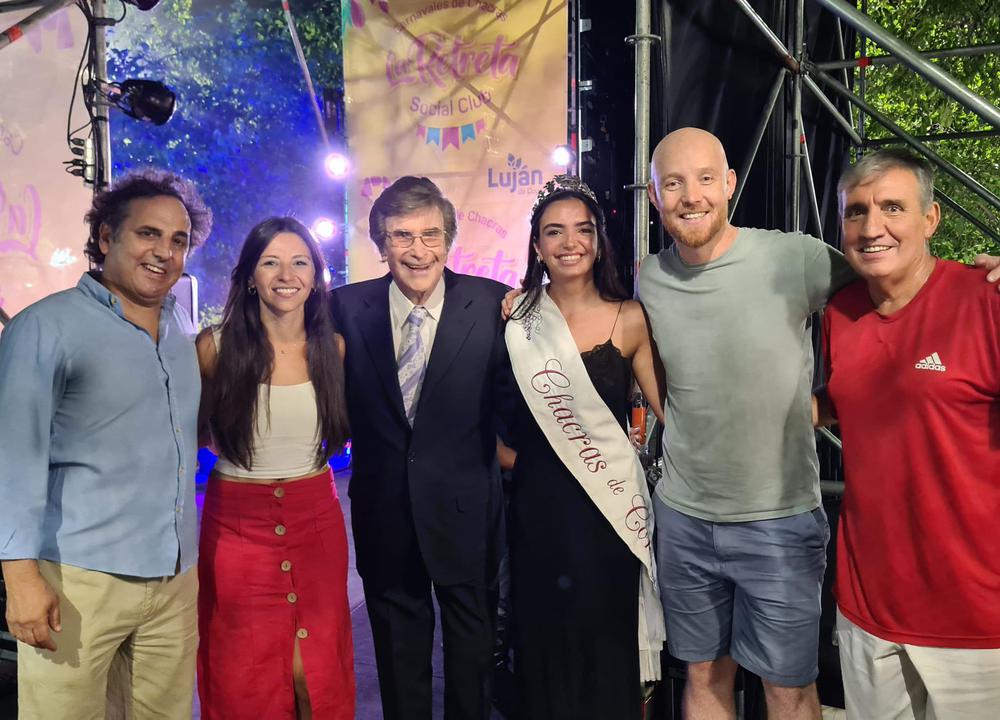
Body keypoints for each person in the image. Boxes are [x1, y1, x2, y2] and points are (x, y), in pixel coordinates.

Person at [639, 127, 1000, 720]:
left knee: (788, 687)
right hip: (686, 516)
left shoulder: (798, 258)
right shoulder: (648, 277)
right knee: (702, 676)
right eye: (672, 183)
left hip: (781, 521)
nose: (690, 195)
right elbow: (852, 383)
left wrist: (978, 275)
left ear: (729, 184)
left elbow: (899, 277)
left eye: (705, 178)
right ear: (654, 197)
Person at [0, 170, 211, 718]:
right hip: (78, 582)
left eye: (179, 240)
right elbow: (13, 455)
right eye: (148, 234)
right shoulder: (47, 327)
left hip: (173, 579)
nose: (164, 252)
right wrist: (19, 577)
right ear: (105, 239)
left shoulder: (181, 330)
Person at [817, 149, 1000, 718]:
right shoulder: (839, 313)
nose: (872, 228)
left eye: (892, 208)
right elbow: (826, 406)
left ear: (931, 219)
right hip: (868, 610)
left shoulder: (985, 300)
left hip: (977, 619)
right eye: (856, 212)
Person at [329, 176, 511, 720]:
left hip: (468, 513)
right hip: (385, 515)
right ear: (380, 244)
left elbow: (519, 399)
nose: (417, 250)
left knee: (472, 662)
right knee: (398, 662)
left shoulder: (492, 303)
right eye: (401, 236)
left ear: (449, 239)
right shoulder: (342, 307)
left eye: (430, 234)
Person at [504, 175, 666, 719]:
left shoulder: (631, 318)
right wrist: (519, 464)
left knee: (605, 638)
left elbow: (672, 413)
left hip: (610, 510)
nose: (569, 242)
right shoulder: (514, 318)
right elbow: (486, 418)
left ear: (598, 242)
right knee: (543, 641)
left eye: (582, 230)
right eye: (554, 232)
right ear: (537, 246)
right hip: (535, 510)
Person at [195, 217, 353, 720]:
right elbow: (190, 433)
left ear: (316, 276)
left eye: (300, 261)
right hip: (236, 530)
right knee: (248, 672)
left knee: (314, 675)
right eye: (271, 262)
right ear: (249, 277)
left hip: (316, 523)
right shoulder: (213, 348)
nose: (287, 274)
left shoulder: (334, 349)